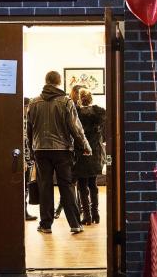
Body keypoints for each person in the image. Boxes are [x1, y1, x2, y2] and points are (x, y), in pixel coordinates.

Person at [27, 71, 91, 234]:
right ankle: (75, 224)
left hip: (40, 149)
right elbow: (75, 128)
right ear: (59, 82)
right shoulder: (66, 101)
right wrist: (85, 145)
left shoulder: (34, 102)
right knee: (66, 186)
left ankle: (46, 225)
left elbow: (29, 129)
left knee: (45, 186)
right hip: (62, 150)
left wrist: (32, 150)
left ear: (46, 81)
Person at [73, 88, 106, 225]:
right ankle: (96, 214)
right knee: (93, 184)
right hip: (95, 152)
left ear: (80, 99)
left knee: (82, 186)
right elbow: (104, 133)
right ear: (91, 98)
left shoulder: (77, 113)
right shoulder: (99, 113)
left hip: (81, 152)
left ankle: (86, 216)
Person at [54, 84, 84, 221]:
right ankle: (69, 211)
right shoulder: (72, 107)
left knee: (69, 183)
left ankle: (62, 209)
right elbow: (75, 130)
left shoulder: (71, 106)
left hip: (74, 149)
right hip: (75, 149)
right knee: (69, 183)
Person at [23, 97, 37, 221]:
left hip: (28, 159)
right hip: (24, 160)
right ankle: (23, 212)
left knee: (26, 187)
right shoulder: (22, 121)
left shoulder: (27, 120)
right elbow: (23, 142)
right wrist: (24, 160)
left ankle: (24, 211)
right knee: (24, 187)